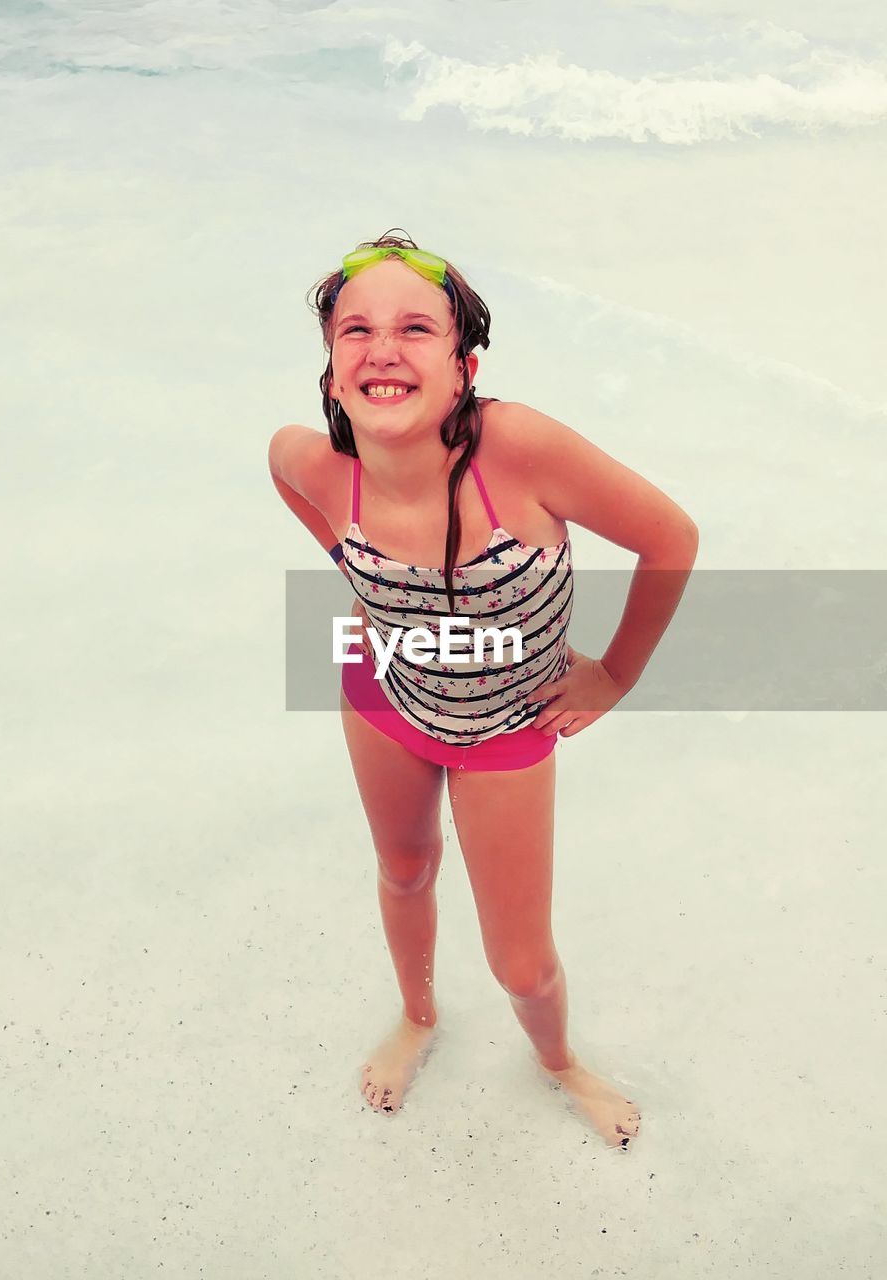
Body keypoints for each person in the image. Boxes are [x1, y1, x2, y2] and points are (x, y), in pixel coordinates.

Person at [269, 230, 698, 1148]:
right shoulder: (318, 466)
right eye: (356, 331)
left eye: (415, 327)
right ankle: (418, 1016)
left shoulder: (517, 450)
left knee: (523, 963)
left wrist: (616, 673)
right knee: (405, 869)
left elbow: (672, 539)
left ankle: (557, 1063)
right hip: (385, 703)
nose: (383, 347)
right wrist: (380, 592)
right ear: (334, 374)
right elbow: (290, 478)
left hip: (506, 728)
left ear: (463, 368)